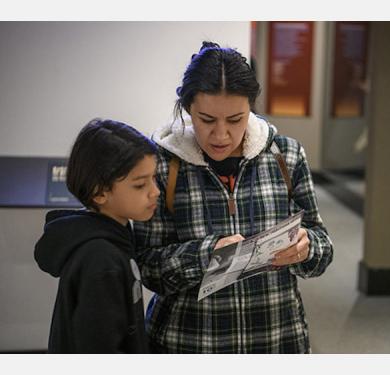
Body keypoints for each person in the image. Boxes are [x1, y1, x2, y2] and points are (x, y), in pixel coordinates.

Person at [134, 41, 334, 353]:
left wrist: (307, 247)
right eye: (207, 120)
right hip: (190, 343)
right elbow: (147, 267)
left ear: (251, 110)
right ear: (188, 109)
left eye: (235, 119)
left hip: (275, 340)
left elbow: (323, 246)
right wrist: (206, 254)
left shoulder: (287, 155)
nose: (221, 135)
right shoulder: (161, 164)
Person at [34, 118, 159, 353]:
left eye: (154, 178)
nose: (155, 191)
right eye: (141, 185)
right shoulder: (101, 259)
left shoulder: (113, 239)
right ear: (100, 192)